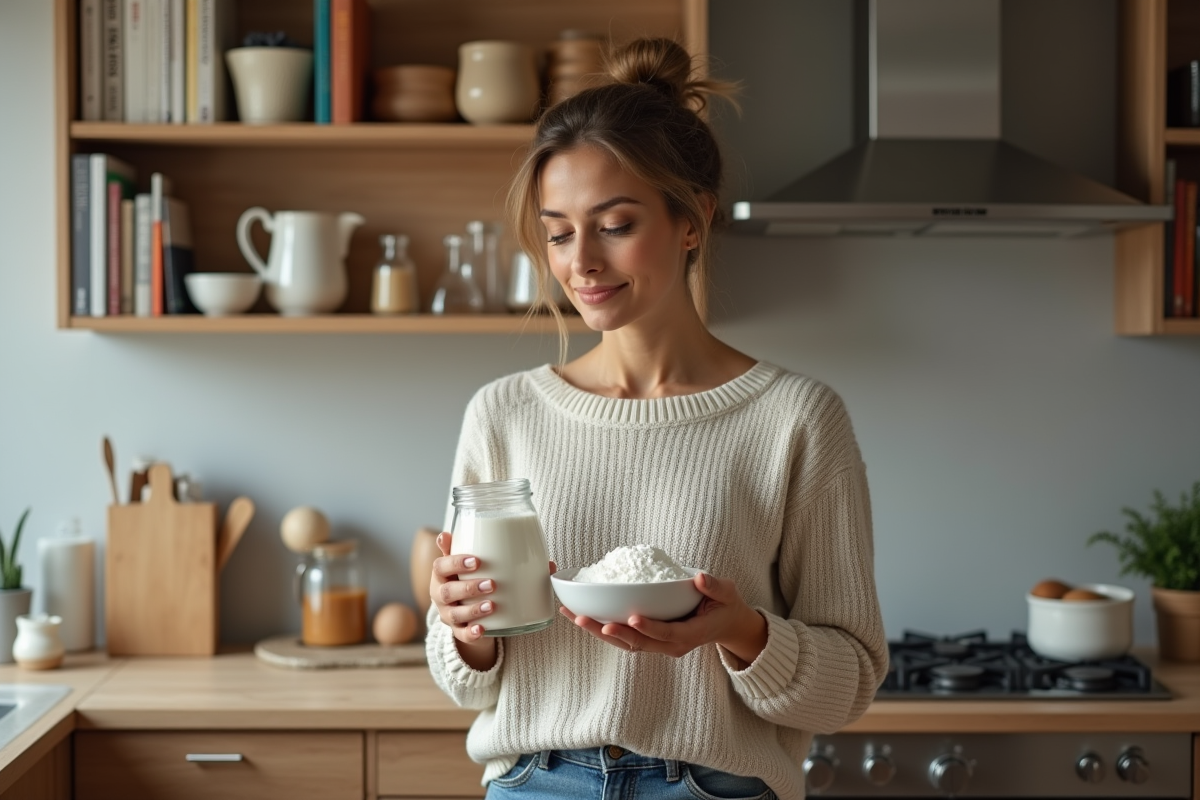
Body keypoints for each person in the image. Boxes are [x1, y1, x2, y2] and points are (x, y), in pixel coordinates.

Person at [426, 37, 887, 800]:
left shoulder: (795, 419)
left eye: (614, 224)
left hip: (714, 787)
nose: (582, 263)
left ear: (693, 219)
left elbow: (848, 688)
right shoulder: (504, 414)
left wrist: (741, 632)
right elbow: (469, 684)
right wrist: (463, 630)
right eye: (560, 231)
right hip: (536, 783)